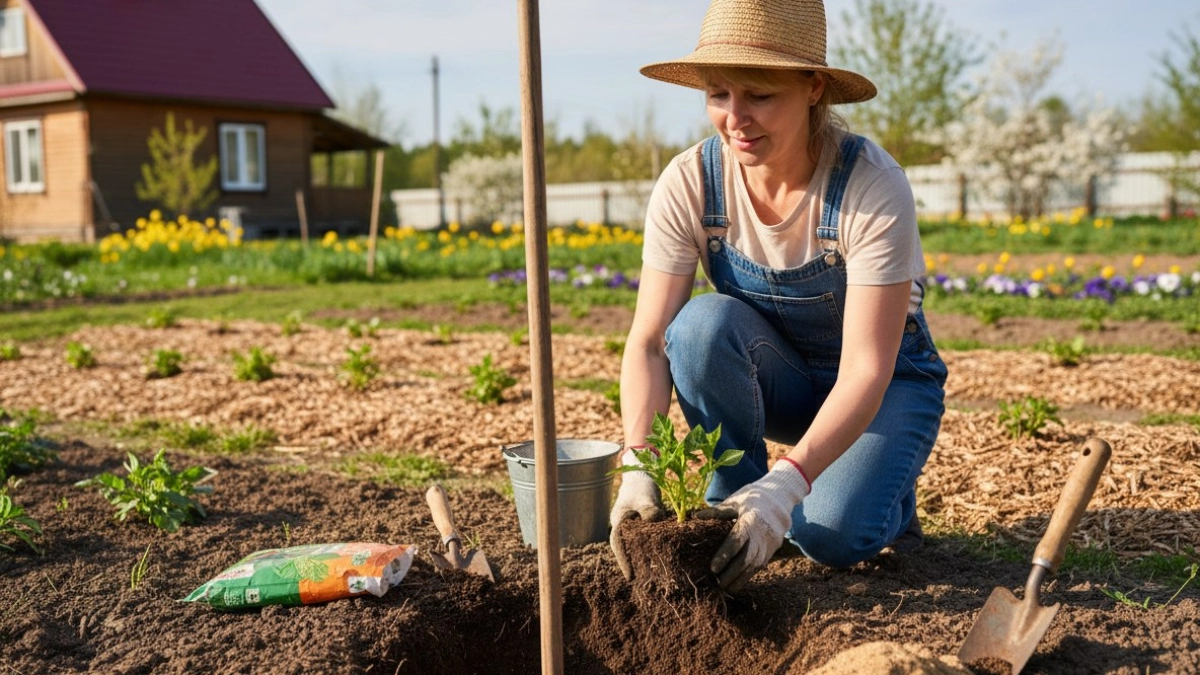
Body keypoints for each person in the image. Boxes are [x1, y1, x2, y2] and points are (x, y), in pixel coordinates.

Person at [608, 0, 948, 594]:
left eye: (760, 95)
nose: (735, 118)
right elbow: (649, 343)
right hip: (781, 379)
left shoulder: (870, 185)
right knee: (698, 326)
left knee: (830, 536)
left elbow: (867, 367)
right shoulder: (691, 181)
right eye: (718, 94)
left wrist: (789, 486)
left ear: (813, 87)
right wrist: (639, 465)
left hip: (885, 383)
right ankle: (736, 497)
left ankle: (879, 495)